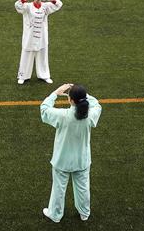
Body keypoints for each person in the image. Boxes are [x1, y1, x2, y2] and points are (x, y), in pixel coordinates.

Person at [39, 83, 102, 223]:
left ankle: (55, 214)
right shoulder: (90, 115)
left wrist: (56, 92)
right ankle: (84, 213)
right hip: (82, 159)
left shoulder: (62, 115)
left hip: (62, 159)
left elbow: (44, 109)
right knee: (83, 187)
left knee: (58, 189)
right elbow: (97, 105)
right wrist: (84, 95)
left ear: (71, 100)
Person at [15, 0, 62, 84]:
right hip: (29, 37)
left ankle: (44, 75)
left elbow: (59, 4)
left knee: (43, 56)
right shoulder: (27, 7)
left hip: (42, 37)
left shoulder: (46, 6)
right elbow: (17, 5)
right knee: (26, 56)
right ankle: (23, 76)